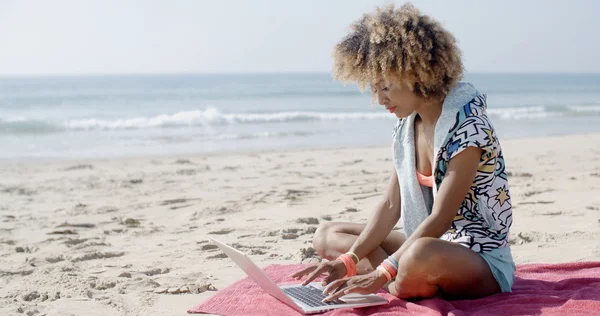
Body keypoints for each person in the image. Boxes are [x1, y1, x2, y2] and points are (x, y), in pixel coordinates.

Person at [291, 3, 515, 302]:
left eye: (385, 87)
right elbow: (390, 204)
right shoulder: (407, 125)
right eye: (373, 89)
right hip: (425, 244)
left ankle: (388, 279)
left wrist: (382, 270)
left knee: (419, 254)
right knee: (328, 234)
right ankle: (386, 275)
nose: (379, 99)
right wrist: (349, 260)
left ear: (415, 74)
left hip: (477, 256)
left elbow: (441, 217)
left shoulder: (468, 129)